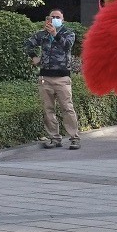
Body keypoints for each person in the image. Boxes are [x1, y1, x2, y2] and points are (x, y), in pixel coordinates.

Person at [28, 10, 83, 150]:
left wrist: (55, 34)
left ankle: (74, 138)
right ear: (48, 18)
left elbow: (68, 45)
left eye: (58, 17)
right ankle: (54, 138)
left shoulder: (68, 33)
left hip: (62, 78)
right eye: (52, 17)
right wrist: (34, 57)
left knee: (67, 108)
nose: (55, 19)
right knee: (48, 109)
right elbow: (28, 44)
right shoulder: (42, 34)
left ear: (62, 19)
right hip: (45, 77)